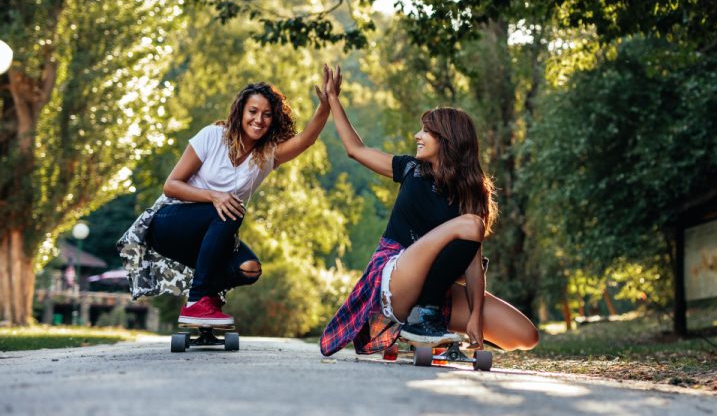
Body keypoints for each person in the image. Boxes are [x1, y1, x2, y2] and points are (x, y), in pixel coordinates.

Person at [319, 65, 539, 356]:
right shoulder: (411, 169)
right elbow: (355, 149)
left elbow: (473, 266)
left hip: (437, 291)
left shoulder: (472, 194)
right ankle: (420, 319)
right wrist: (333, 99)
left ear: (447, 140)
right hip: (397, 276)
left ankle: (429, 324)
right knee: (470, 224)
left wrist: (475, 316)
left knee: (525, 335)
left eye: (425, 131)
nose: (416, 135)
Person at [117, 74, 331, 326]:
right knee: (232, 208)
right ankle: (197, 301)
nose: (258, 119)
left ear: (273, 120)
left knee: (249, 268)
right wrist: (213, 196)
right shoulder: (212, 136)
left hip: (210, 234)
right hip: (167, 223)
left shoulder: (267, 155)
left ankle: (206, 296)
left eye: (267, 114)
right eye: (253, 111)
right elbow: (171, 185)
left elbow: (306, 139)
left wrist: (325, 106)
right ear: (241, 111)